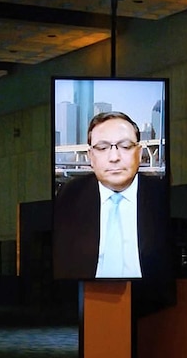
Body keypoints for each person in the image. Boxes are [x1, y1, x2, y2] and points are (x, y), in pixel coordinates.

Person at [52, 111, 170, 281]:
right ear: (91, 156)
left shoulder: (162, 196)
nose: (114, 157)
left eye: (125, 146)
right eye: (102, 148)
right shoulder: (69, 197)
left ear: (139, 153)